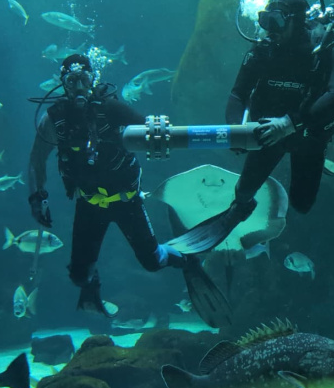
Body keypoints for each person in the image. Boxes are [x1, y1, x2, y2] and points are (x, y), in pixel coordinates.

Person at [27, 54, 230, 326]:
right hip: (89, 204)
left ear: (93, 80)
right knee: (78, 276)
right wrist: (37, 196)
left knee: (153, 261)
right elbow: (36, 158)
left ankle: (186, 258)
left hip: (127, 201)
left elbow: (150, 129)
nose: (78, 87)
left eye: (83, 79)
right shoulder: (54, 120)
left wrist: (154, 130)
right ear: (62, 83)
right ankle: (91, 280)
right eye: (72, 80)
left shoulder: (111, 110)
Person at [168, 0, 334, 254]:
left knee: (302, 204)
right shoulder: (262, 49)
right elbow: (237, 93)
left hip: (306, 134)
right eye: (265, 21)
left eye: (275, 21)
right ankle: (238, 211)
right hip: (265, 133)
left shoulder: (325, 46)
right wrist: (236, 130)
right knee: (242, 194)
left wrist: (289, 123)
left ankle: (318, 162)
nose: (268, 29)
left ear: (296, 21)